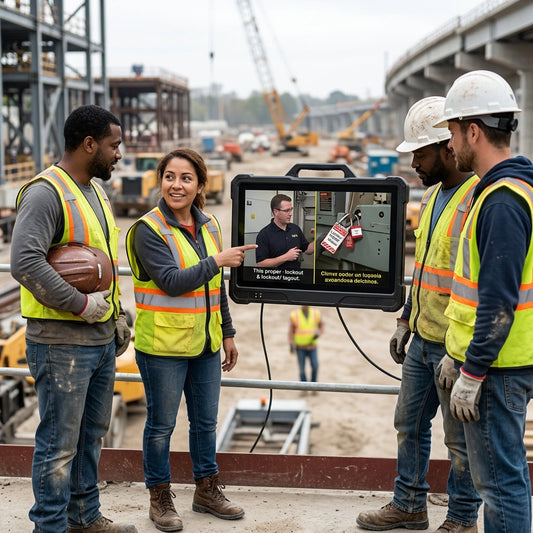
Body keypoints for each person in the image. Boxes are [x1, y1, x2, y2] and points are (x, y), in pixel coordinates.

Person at [357, 96, 481, 533]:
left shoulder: (476, 200)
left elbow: (482, 285)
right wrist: (405, 318)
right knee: (408, 424)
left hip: (455, 347)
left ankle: (463, 518)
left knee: (459, 440)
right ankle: (409, 504)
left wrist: (462, 352)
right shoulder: (430, 199)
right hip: (423, 339)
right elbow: (425, 264)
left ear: (448, 146)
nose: (413, 163)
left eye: (420, 153)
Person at [10, 105, 136, 533]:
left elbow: (101, 262)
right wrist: (82, 306)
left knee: (90, 435)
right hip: (60, 340)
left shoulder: (95, 191)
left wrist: (116, 313)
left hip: (100, 340)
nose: (118, 154)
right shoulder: (46, 192)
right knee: (58, 443)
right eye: (113, 145)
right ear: (89, 144)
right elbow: (25, 261)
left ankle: (83, 517)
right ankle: (49, 527)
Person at [125, 148, 255, 532]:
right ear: (159, 180)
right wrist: (218, 260)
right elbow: (171, 281)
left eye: (185, 178)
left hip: (205, 344)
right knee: (161, 426)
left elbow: (214, 289)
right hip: (162, 347)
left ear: (200, 183)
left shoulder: (210, 225)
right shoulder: (148, 230)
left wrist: (227, 332)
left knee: (205, 423)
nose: (176, 185)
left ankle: (206, 489)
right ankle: (160, 497)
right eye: (169, 176)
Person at [434, 70, 533, 533]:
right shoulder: (508, 189)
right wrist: (457, 353)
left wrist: (471, 371)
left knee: (500, 484)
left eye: (452, 132)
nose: (450, 145)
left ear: (473, 130)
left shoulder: (502, 201)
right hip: (500, 361)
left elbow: (497, 302)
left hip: (498, 369)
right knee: (499, 480)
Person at [255, 193, 314, 268]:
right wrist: (286, 257)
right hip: (275, 278)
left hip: (295, 277)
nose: (290, 214)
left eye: (291, 210)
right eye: (286, 211)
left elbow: (307, 249)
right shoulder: (264, 234)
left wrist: (319, 241)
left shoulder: (295, 228)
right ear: (276, 212)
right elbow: (261, 264)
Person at [289, 305, 323, 383]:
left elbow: (321, 325)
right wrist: (291, 343)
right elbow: (290, 331)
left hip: (312, 346)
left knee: (315, 366)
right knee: (302, 369)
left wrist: (319, 333)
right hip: (300, 347)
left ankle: (313, 384)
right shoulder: (295, 315)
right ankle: (304, 387)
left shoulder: (315, 313)